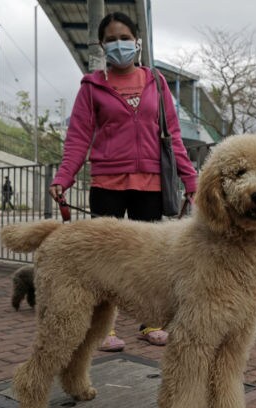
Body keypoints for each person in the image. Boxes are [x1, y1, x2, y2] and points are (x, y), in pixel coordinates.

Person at [48, 12, 198, 352]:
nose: (119, 44)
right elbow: (77, 138)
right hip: (106, 182)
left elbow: (172, 137)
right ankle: (105, 328)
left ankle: (152, 323)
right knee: (105, 259)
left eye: (124, 38)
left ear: (137, 42)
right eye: (112, 39)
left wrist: (191, 180)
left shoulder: (156, 83)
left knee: (149, 258)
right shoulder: (92, 86)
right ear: (103, 45)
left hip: (151, 182)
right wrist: (63, 177)